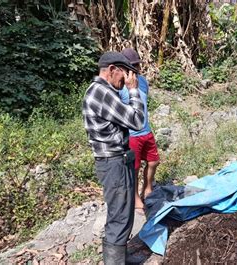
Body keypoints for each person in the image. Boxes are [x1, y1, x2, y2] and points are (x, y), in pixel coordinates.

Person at [82, 51, 145, 264]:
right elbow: (137, 121)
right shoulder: (102, 93)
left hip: (116, 161)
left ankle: (121, 257)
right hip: (113, 163)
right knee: (119, 216)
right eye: (125, 73)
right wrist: (134, 90)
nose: (127, 79)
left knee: (123, 213)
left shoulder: (103, 91)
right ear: (112, 69)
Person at [119, 48, 160, 215]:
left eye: (137, 65)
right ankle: (136, 198)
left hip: (146, 130)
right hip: (132, 135)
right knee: (134, 168)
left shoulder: (143, 81)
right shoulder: (119, 86)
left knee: (153, 162)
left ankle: (148, 187)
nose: (135, 69)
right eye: (132, 66)